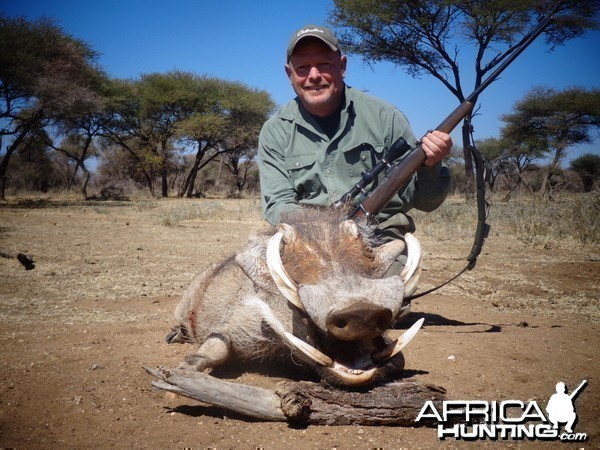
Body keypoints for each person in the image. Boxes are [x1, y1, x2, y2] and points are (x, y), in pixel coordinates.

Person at [258, 24, 452, 250]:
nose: (313, 76)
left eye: (324, 65)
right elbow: (278, 206)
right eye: (303, 68)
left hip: (379, 239)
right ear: (289, 74)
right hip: (307, 244)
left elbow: (426, 203)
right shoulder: (274, 131)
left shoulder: (386, 117)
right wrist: (329, 226)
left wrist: (430, 165)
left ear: (342, 66)